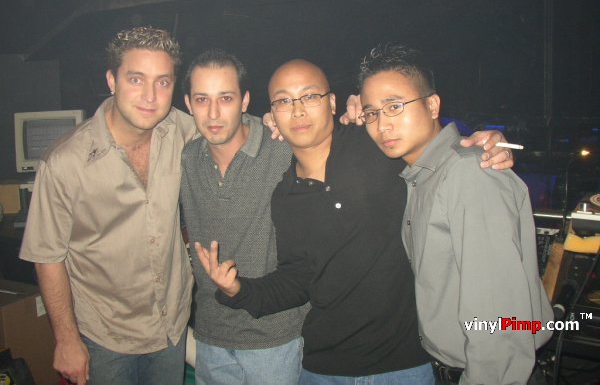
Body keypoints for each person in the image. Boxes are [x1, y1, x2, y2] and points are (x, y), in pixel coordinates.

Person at [196, 59, 513, 384]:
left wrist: (482, 143)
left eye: (310, 96)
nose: (298, 111)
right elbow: (298, 277)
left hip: (402, 365)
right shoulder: (285, 195)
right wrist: (239, 289)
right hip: (322, 368)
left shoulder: (377, 147)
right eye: (284, 101)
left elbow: (429, 147)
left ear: (333, 103)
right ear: (272, 114)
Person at [358, 43, 553, 384]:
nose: (382, 125)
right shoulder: (421, 176)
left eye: (394, 106)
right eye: (372, 113)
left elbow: (499, 319)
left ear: (432, 105)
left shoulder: (469, 172)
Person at [19, 27, 196, 385]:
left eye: (162, 82)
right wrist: (66, 339)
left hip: (170, 328)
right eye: (136, 79)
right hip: (104, 338)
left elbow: (233, 130)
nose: (150, 96)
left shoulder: (182, 130)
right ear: (112, 81)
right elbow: (47, 257)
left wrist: (274, 122)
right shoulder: (65, 161)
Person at [179, 49, 306, 385]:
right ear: (188, 104)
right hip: (210, 336)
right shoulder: (188, 158)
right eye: (202, 99)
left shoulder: (282, 147)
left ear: (245, 100)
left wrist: (355, 114)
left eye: (226, 98)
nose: (214, 113)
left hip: (276, 337)